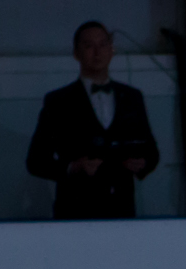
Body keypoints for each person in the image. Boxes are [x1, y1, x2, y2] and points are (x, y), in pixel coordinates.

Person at [26, 22, 160, 220]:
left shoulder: (132, 97)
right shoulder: (59, 101)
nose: (97, 52)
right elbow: (36, 161)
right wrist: (72, 168)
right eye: (89, 46)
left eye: (103, 45)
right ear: (76, 53)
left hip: (121, 209)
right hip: (75, 210)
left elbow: (151, 151)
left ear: (111, 50)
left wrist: (143, 163)